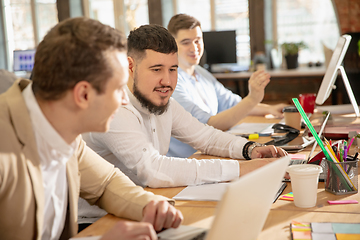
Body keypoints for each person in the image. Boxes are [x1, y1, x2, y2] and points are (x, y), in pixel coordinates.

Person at [0, 17, 182, 240]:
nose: (125, 99)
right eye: (118, 88)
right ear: (83, 95)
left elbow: (106, 184)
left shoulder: (62, 129)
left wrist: (151, 206)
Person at [82, 24, 286, 192]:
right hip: (98, 222)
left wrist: (250, 150)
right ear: (130, 66)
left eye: (173, 69)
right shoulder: (114, 107)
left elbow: (206, 137)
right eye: (156, 69)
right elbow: (153, 170)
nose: (167, 81)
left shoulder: (162, 100)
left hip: (145, 203)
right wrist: (242, 169)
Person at [166, 13, 288, 158]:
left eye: (198, 40)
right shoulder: (172, 82)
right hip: (189, 160)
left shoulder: (201, 73)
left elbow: (233, 103)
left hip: (211, 153)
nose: (194, 47)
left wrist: (270, 109)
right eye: (186, 42)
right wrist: (252, 98)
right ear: (173, 45)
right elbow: (209, 126)